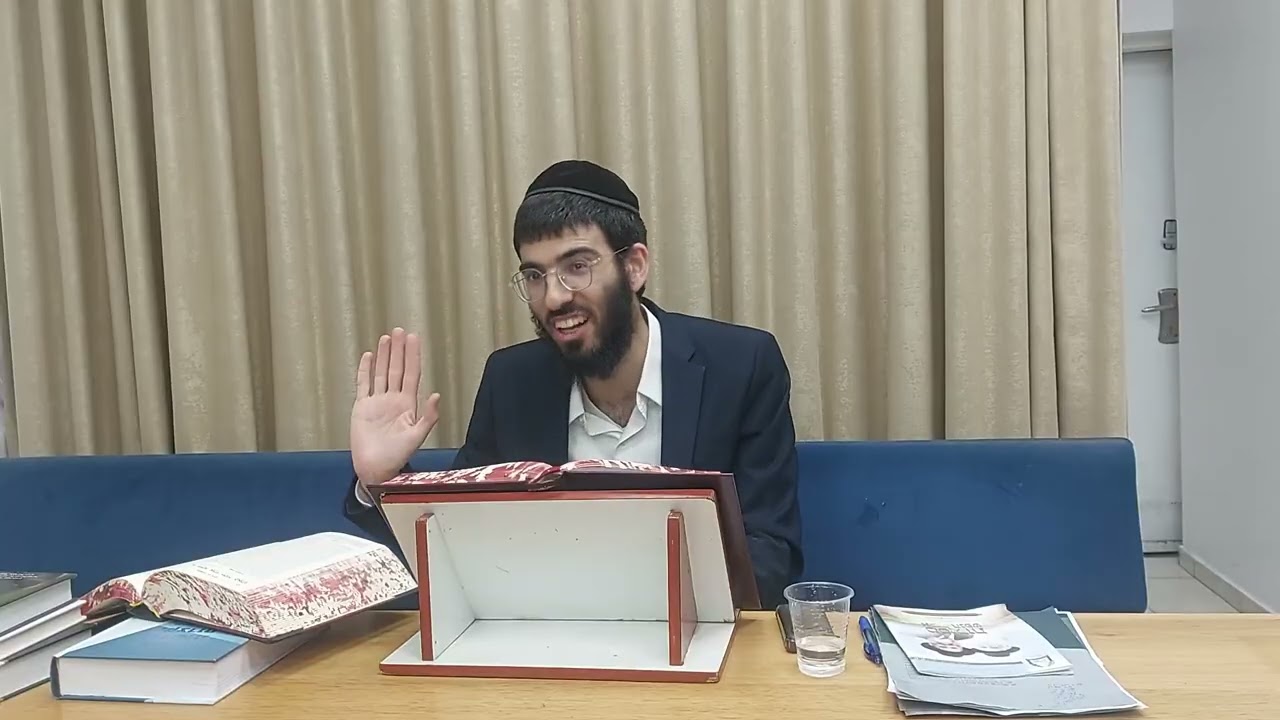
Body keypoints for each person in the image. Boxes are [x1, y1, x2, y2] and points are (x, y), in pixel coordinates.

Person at [343, 159, 803, 607]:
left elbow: (770, 557)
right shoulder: (512, 382)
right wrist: (381, 481)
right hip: (548, 643)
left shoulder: (741, 366)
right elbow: (453, 551)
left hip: (690, 639)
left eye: (577, 266)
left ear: (634, 266)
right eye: (534, 275)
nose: (555, 297)